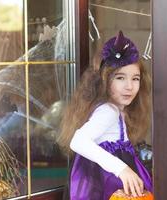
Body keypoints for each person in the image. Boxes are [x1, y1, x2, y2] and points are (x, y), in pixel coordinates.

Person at [59, 31, 152, 199]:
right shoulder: (108, 111)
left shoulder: (114, 109)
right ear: (104, 80)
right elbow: (78, 141)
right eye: (120, 78)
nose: (129, 86)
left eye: (135, 79)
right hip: (107, 187)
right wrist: (121, 168)